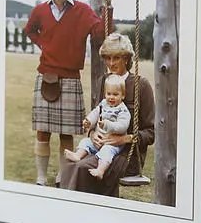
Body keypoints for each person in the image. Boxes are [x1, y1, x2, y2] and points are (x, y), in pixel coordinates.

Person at [24, 0, 113, 187]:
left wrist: (107, 6)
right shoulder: (41, 11)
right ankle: (41, 179)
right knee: (43, 132)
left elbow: (101, 33)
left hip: (71, 78)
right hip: (46, 76)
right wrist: (44, 43)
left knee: (66, 135)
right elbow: (29, 30)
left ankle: (63, 178)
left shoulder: (82, 11)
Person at [58, 33, 155, 197]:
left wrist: (124, 138)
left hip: (125, 154)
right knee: (68, 165)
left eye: (116, 58)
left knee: (82, 169)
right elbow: (97, 116)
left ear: (126, 58)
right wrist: (92, 133)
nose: (111, 63)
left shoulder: (141, 85)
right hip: (99, 146)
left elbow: (151, 133)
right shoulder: (103, 81)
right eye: (107, 58)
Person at [64, 74, 130, 179]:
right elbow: (95, 113)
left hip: (113, 143)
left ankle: (100, 170)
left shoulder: (122, 110)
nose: (111, 97)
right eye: (109, 94)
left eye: (115, 94)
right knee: (85, 142)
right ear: (105, 94)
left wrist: (108, 125)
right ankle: (78, 155)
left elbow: (123, 126)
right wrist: (88, 121)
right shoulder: (103, 104)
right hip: (98, 139)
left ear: (122, 95)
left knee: (106, 152)